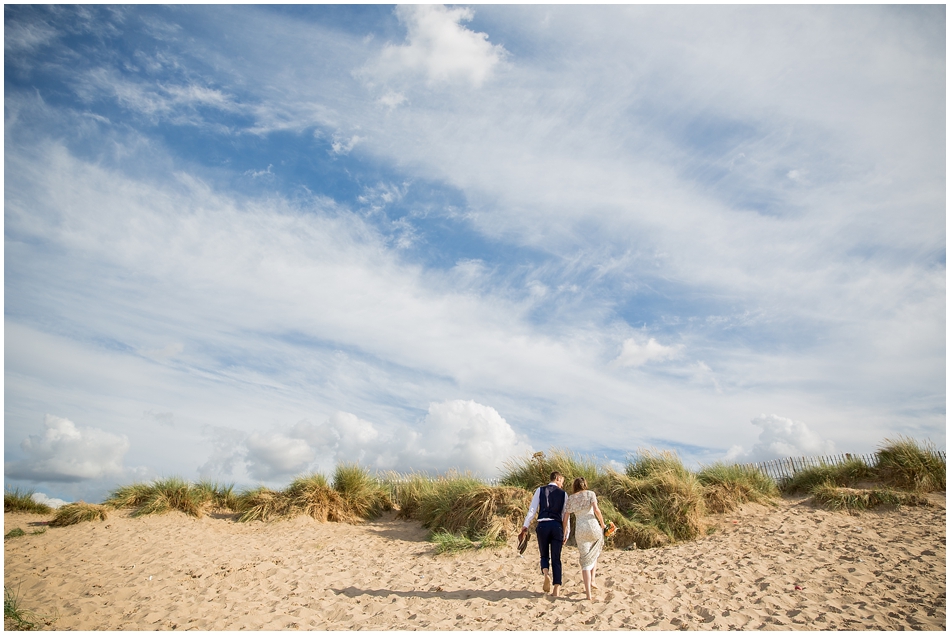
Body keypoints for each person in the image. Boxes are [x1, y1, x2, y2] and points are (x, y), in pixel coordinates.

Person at [519, 471, 568, 597]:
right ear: (557, 478)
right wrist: (566, 532)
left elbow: (532, 509)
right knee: (556, 558)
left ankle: (546, 574)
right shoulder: (564, 494)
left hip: (542, 525)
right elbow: (565, 515)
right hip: (556, 526)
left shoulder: (540, 490)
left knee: (544, 555)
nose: (562, 485)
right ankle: (556, 588)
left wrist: (526, 525)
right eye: (562, 481)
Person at [562, 477, 607, 601]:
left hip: (580, 529)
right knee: (595, 552)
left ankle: (588, 594)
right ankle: (593, 580)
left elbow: (566, 518)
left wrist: (564, 532)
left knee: (585, 561)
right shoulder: (590, 494)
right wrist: (602, 524)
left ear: (574, 486)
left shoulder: (571, 498)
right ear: (585, 485)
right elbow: (596, 510)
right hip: (592, 525)